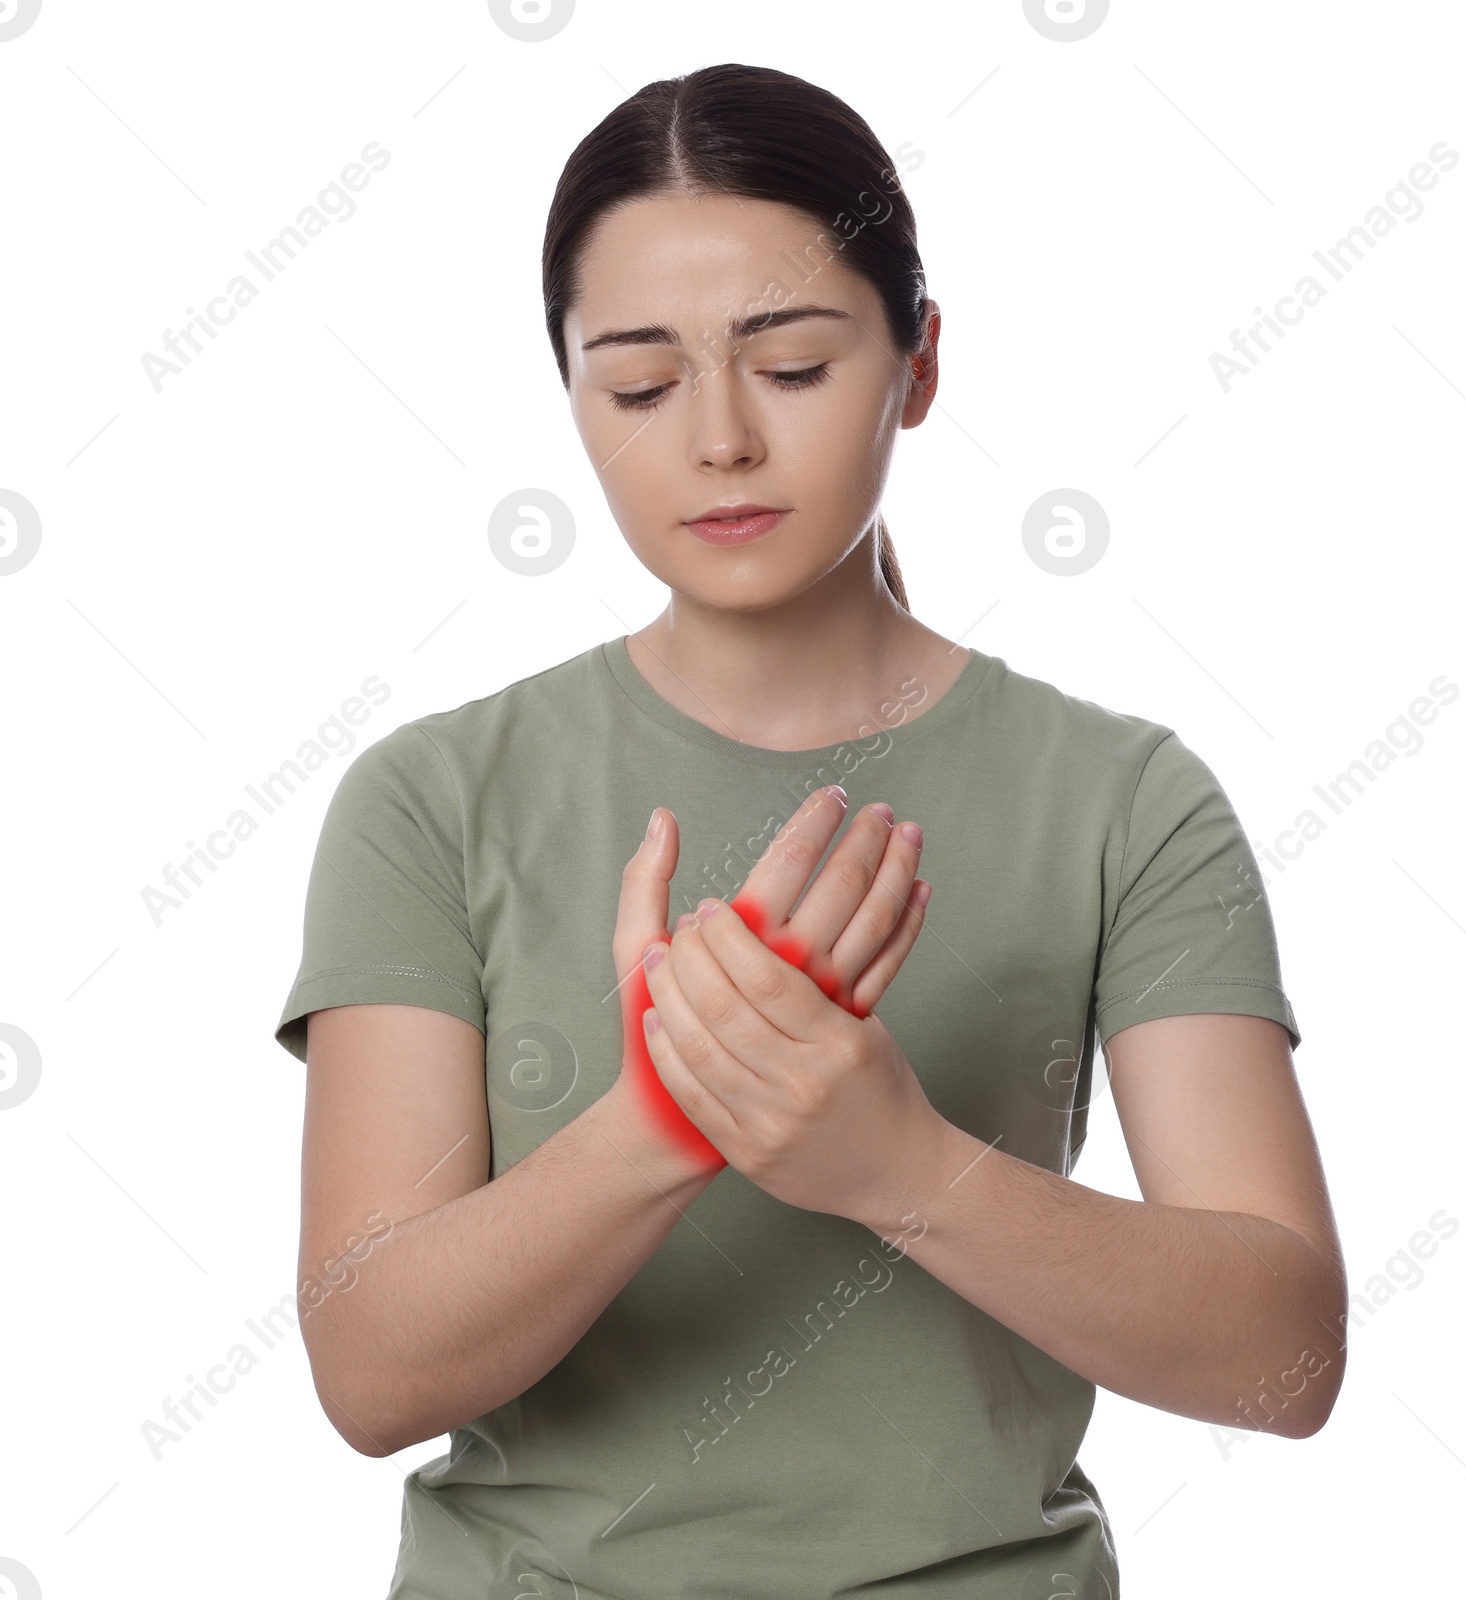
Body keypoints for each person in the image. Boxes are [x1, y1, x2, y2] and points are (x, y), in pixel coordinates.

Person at [274, 61, 1348, 1600]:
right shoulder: (432, 797)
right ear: (570, 393)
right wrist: (665, 1124)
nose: (716, 440)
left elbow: (1284, 1359)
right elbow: (370, 1378)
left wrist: (891, 1157)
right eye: (639, 383)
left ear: (918, 363)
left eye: (788, 365)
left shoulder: (1125, 800)